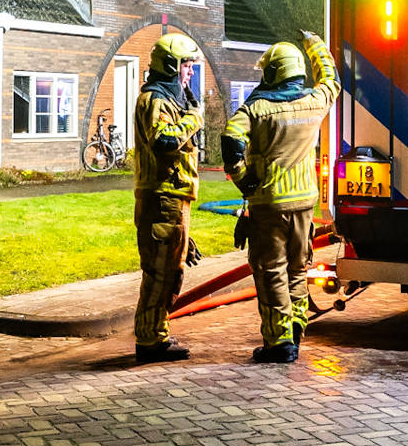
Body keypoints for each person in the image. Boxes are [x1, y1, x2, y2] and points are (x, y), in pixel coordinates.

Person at [221, 30, 339, 364]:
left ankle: (279, 342)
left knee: (271, 270)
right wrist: (315, 45)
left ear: (273, 72)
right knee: (299, 269)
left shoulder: (257, 108)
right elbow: (332, 79)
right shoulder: (315, 101)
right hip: (305, 203)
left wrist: (244, 180)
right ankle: (297, 330)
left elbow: (231, 138)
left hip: (269, 203)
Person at [131, 32, 206, 364]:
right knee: (159, 273)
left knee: (170, 271)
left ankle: (156, 334)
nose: (190, 73)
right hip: (162, 198)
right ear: (173, 66)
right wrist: (194, 117)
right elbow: (164, 142)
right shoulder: (155, 101)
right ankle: (149, 340)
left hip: (172, 198)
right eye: (187, 66)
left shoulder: (170, 99)